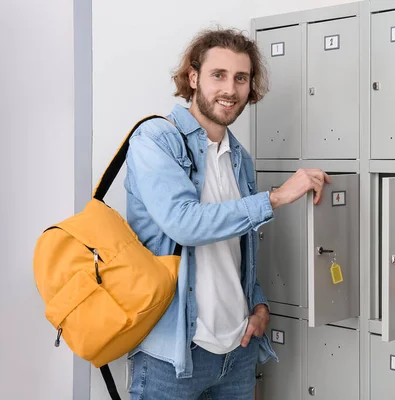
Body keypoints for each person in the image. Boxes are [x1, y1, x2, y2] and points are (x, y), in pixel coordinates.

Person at [123, 27, 330, 399]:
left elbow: (237, 248)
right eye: (218, 75)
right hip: (172, 358)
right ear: (193, 77)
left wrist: (258, 301)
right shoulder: (156, 140)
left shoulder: (240, 159)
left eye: (241, 78)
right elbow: (184, 224)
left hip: (238, 351)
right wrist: (276, 197)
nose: (230, 90)